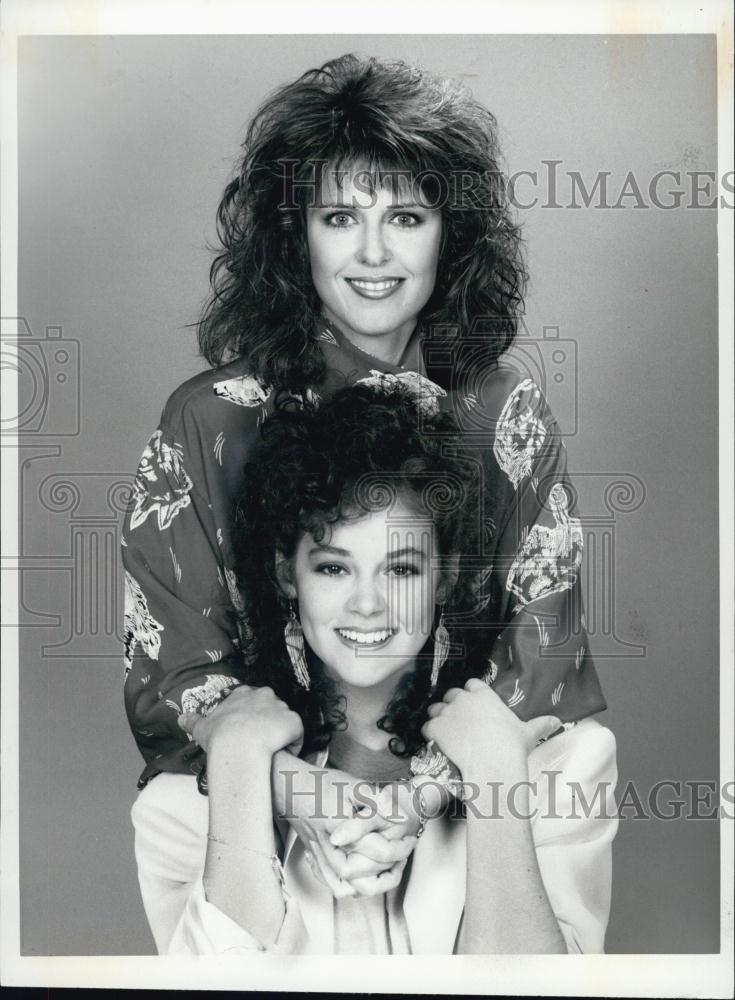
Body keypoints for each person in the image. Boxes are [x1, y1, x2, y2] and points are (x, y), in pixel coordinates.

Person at [123, 53, 606, 894]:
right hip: (266, 813)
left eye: (407, 218)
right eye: (340, 217)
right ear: (294, 233)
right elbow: (173, 679)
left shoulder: (504, 411)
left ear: (450, 233)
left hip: (469, 804)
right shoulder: (208, 420)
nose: (374, 253)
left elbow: (545, 651)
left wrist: (419, 798)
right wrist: (305, 794)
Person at [131, 386, 618, 954]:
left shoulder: (566, 769)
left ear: (445, 577)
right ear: (288, 575)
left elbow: (535, 993)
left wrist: (495, 771)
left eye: (401, 570)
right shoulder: (182, 806)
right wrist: (239, 757)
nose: (367, 604)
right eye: (334, 568)